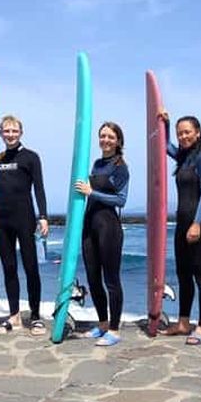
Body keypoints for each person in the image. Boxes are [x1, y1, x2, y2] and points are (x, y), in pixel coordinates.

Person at [160, 112, 201, 345]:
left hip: (198, 224)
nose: (183, 136)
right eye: (179, 133)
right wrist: (165, 123)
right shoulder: (183, 157)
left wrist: (197, 223)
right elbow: (164, 145)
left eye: (187, 132)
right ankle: (183, 323)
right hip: (182, 224)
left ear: (198, 132)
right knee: (183, 274)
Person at [74, 122, 130, 347]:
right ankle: (103, 324)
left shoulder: (120, 167)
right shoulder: (97, 164)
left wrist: (91, 192)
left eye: (110, 137)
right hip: (89, 225)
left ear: (118, 141)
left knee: (111, 280)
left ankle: (114, 330)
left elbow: (121, 200)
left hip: (108, 227)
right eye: (103, 136)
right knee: (93, 278)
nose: (105, 140)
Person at [0, 115, 49, 336]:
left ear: (21, 133)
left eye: (14, 131)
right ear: (1, 133)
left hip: (24, 218)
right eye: (6, 131)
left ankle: (35, 316)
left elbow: (39, 188)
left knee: (31, 267)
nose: (10, 135)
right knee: (9, 268)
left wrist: (43, 216)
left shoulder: (30, 157)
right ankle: (14, 315)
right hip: (2, 220)